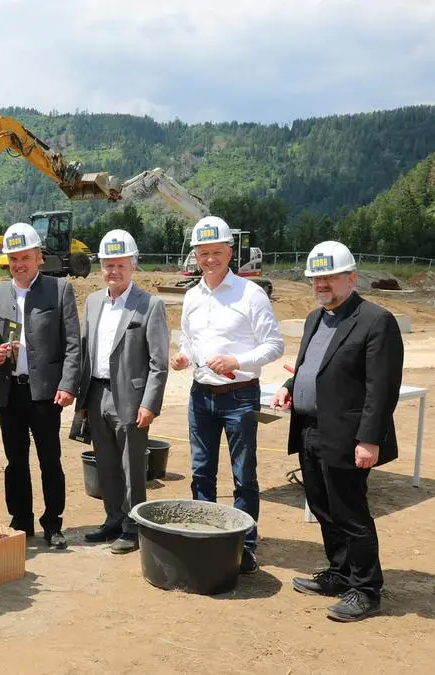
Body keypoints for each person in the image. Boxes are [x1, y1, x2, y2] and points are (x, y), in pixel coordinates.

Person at [271, 240, 403, 622]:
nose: (321, 284)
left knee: (350, 513)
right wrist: (290, 388)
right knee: (323, 508)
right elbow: (311, 367)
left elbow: (382, 388)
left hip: (348, 435)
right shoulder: (315, 319)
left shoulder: (376, 321)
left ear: (351, 278)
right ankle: (340, 574)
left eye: (329, 277)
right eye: (316, 278)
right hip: (310, 430)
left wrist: (369, 439)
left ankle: (366, 589)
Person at [170, 216, 284, 573]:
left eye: (216, 252)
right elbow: (188, 340)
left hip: (240, 397)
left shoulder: (251, 294)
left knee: (243, 474)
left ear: (230, 253)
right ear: (195, 256)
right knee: (201, 471)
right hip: (200, 396)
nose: (209, 260)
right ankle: (205, 535)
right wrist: (183, 357)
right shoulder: (192, 296)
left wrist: (237, 361)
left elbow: (274, 345)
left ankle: (244, 545)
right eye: (203, 253)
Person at [0, 223, 80, 549]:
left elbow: (72, 344)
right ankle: (21, 521)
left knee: (50, 460)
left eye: (25, 257)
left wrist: (68, 384)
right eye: (13, 259)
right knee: (15, 461)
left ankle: (53, 523)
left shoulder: (59, 289)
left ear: (39, 257)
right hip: (9, 391)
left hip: (45, 393)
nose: (19, 264)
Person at [75, 231, 168, 552]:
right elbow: (85, 351)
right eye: (108, 265)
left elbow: (159, 362)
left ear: (133, 265)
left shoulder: (150, 305)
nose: (113, 271)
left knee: (132, 466)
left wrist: (149, 403)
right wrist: (83, 399)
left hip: (131, 399)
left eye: (120, 265)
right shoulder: (93, 302)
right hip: (96, 393)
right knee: (106, 463)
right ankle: (113, 519)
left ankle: (133, 525)